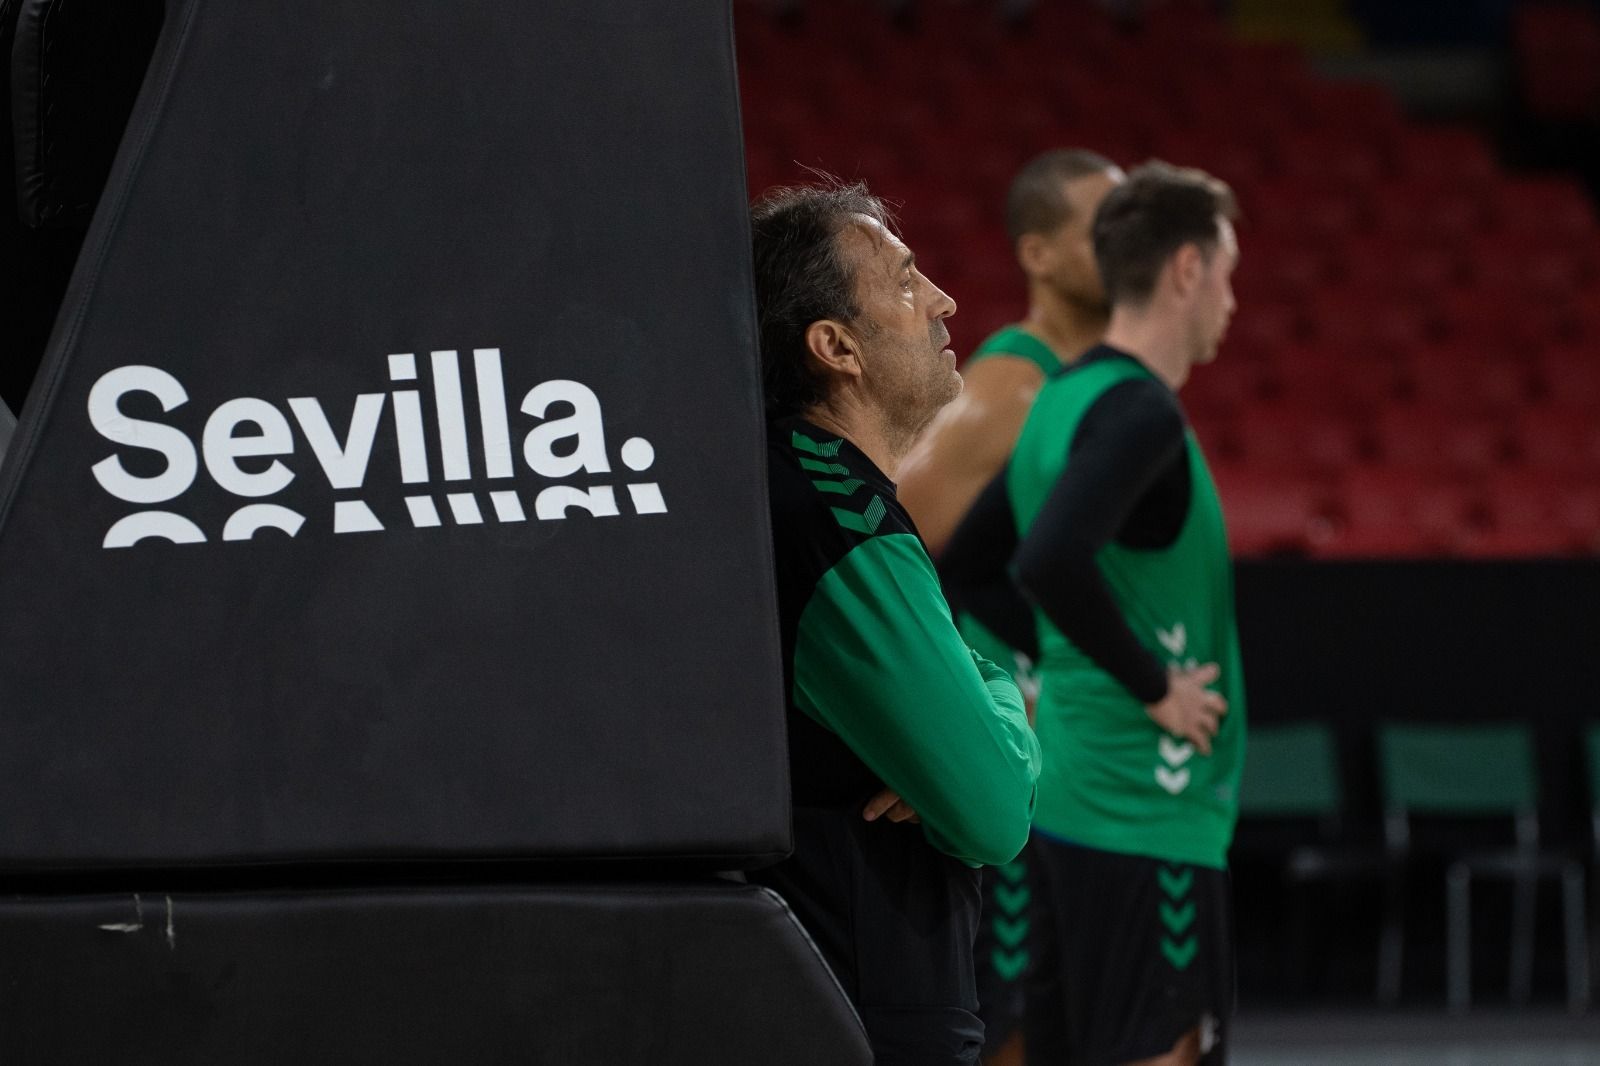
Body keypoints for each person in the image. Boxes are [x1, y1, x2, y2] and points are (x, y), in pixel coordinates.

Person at [941, 161, 1245, 1066]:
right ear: (1186, 271)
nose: (1233, 299)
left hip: (1074, 802)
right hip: (1148, 810)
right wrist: (1154, 686)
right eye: (1228, 272)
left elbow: (970, 565)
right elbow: (1048, 560)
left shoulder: (1061, 398)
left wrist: (1044, 677)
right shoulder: (1141, 411)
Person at [746, 179, 1042, 1066]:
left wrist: (945, 734)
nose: (944, 301)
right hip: (864, 1011)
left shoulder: (785, 485)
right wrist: (995, 701)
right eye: (907, 281)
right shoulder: (835, 512)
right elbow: (992, 807)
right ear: (836, 346)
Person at [896, 147, 1123, 1066]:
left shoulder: (1095, 388)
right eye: (1102, 229)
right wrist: (951, 707)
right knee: (1012, 996)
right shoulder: (1008, 393)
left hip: (1068, 737)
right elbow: (879, 547)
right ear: (1039, 254)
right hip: (1011, 738)